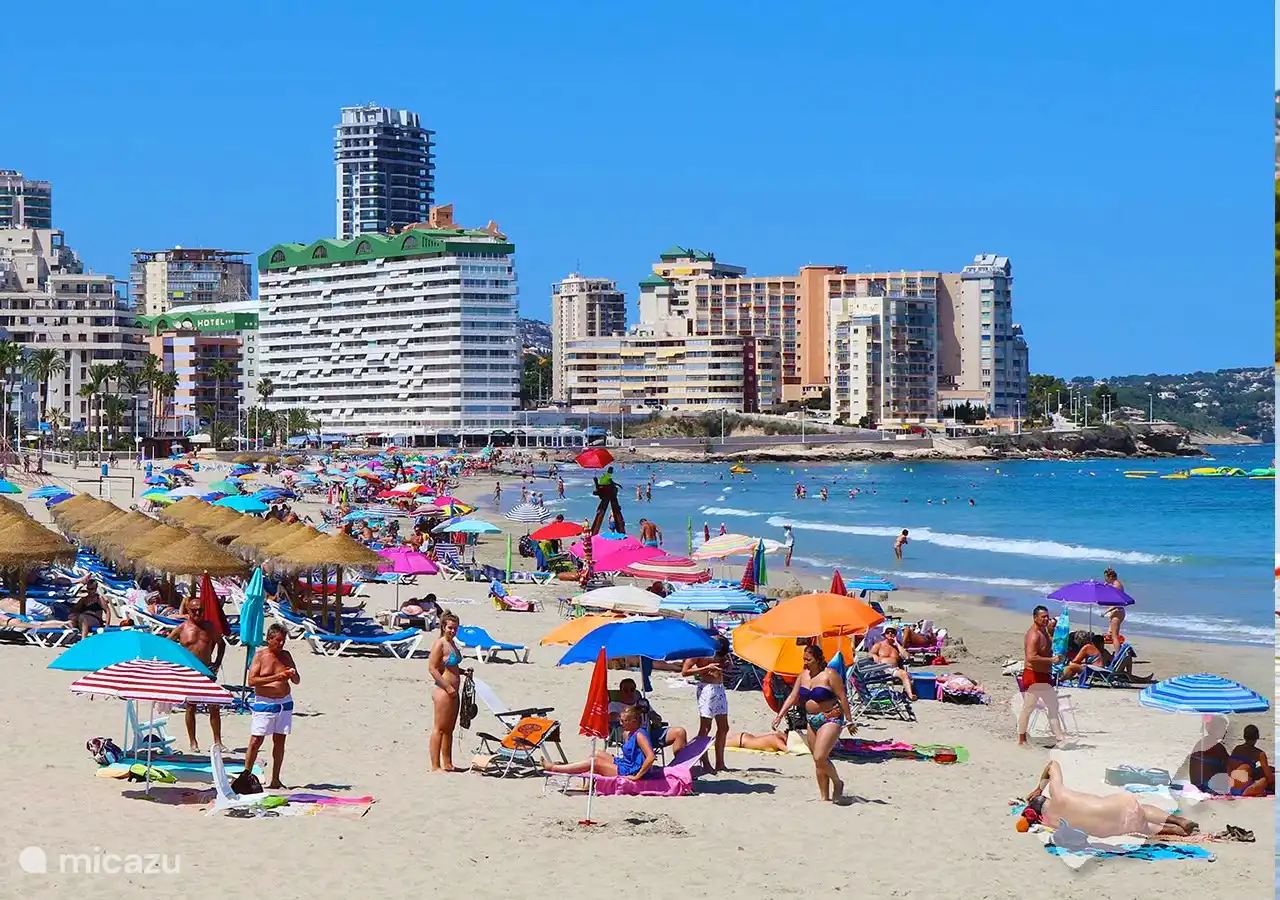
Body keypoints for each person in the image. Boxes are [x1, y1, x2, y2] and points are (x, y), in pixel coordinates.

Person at [1023, 761, 1198, 838]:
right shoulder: (1058, 794)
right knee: (1140, 809)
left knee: (1141, 826)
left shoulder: (1052, 823)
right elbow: (1052, 764)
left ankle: (1173, 831)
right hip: (1119, 806)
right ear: (1045, 798)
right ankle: (1178, 820)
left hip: (1113, 829)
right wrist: (1040, 787)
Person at [774, 644, 856, 802]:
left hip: (831, 717)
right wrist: (780, 715)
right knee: (817, 761)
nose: (805, 662)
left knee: (820, 757)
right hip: (811, 720)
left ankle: (838, 783)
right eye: (804, 659)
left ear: (818, 659)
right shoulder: (803, 675)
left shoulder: (830, 675)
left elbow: (842, 697)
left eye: (808, 659)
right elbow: (793, 696)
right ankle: (824, 797)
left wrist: (849, 720)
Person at [243, 623, 300, 789]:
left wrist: (292, 675)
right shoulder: (260, 656)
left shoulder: (286, 655)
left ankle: (275, 779)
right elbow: (252, 681)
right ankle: (246, 777)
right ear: (269, 639)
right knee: (256, 740)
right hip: (264, 702)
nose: (281, 644)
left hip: (284, 703)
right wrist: (277, 677)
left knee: (280, 741)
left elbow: (297, 681)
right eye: (278, 641)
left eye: (283, 641)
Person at [168, 596, 227, 752]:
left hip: (207, 670)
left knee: (214, 707)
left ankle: (218, 741)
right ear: (188, 610)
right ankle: (193, 742)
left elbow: (221, 644)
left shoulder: (210, 627)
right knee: (191, 707)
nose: (198, 613)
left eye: (200, 610)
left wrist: (217, 662)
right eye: (194, 610)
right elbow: (167, 645)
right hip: (190, 673)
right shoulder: (181, 629)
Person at [543, 705, 656, 781]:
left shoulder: (640, 735)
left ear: (634, 721)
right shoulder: (628, 733)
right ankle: (587, 784)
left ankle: (554, 768)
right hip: (625, 764)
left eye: (624, 721)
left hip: (631, 770)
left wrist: (637, 776)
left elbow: (650, 757)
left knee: (594, 762)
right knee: (597, 753)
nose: (621, 723)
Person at [1016, 605, 1069, 748]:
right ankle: (1021, 739)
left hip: (1045, 676)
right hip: (1033, 675)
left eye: (1047, 616)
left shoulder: (1044, 632)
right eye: (1043, 617)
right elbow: (1031, 657)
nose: (1046, 619)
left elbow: (1047, 649)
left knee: (1053, 706)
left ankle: (1059, 738)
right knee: (1028, 707)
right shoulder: (1033, 634)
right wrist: (1051, 660)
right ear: (1035, 618)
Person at [428, 612, 471, 773]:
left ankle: (448, 763)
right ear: (443, 627)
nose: (452, 631)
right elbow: (432, 669)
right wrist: (447, 687)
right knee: (439, 728)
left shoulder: (453, 644)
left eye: (455, 628)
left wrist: (462, 671)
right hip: (443, 690)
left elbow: (450, 667)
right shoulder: (440, 644)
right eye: (450, 628)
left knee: (449, 729)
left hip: (454, 690)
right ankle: (435, 765)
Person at [682, 636, 731, 772]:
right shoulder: (699, 651)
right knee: (705, 728)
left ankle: (720, 763)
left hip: (719, 688)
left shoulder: (720, 651)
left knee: (724, 727)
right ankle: (705, 763)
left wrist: (725, 665)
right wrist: (706, 668)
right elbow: (685, 672)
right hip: (707, 689)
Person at [611, 678, 688, 754]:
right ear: (620, 691)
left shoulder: (642, 704)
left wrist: (654, 718)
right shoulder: (615, 705)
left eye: (632, 690)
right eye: (626, 690)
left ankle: (680, 763)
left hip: (649, 733)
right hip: (631, 736)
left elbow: (657, 717)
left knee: (680, 732)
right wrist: (630, 715)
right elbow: (612, 717)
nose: (629, 693)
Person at [868, 626, 918, 700]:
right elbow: (870, 654)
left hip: (894, 669)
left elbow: (907, 657)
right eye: (888, 632)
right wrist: (875, 656)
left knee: (904, 674)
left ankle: (910, 695)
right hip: (881, 669)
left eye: (893, 632)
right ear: (884, 635)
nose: (890, 634)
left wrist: (897, 644)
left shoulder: (897, 647)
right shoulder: (879, 645)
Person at [1186, 714, 1232, 792]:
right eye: (1223, 728)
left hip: (1197, 784)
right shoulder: (1217, 747)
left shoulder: (1202, 742)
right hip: (1206, 786)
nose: (1225, 732)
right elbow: (1231, 765)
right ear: (1216, 729)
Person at [1227, 724, 1275, 796]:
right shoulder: (1259, 753)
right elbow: (1269, 777)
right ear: (1257, 736)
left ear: (1244, 736)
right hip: (1244, 789)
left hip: (1230, 787)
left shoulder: (1237, 749)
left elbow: (1229, 766)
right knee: (1268, 778)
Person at [590, 466, 625, 535]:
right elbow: (612, 483)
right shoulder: (608, 476)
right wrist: (618, 485)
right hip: (607, 491)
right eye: (612, 470)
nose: (612, 471)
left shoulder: (606, 475)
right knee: (614, 490)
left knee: (601, 510)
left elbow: (608, 482)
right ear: (610, 471)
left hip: (602, 489)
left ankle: (594, 533)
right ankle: (621, 533)